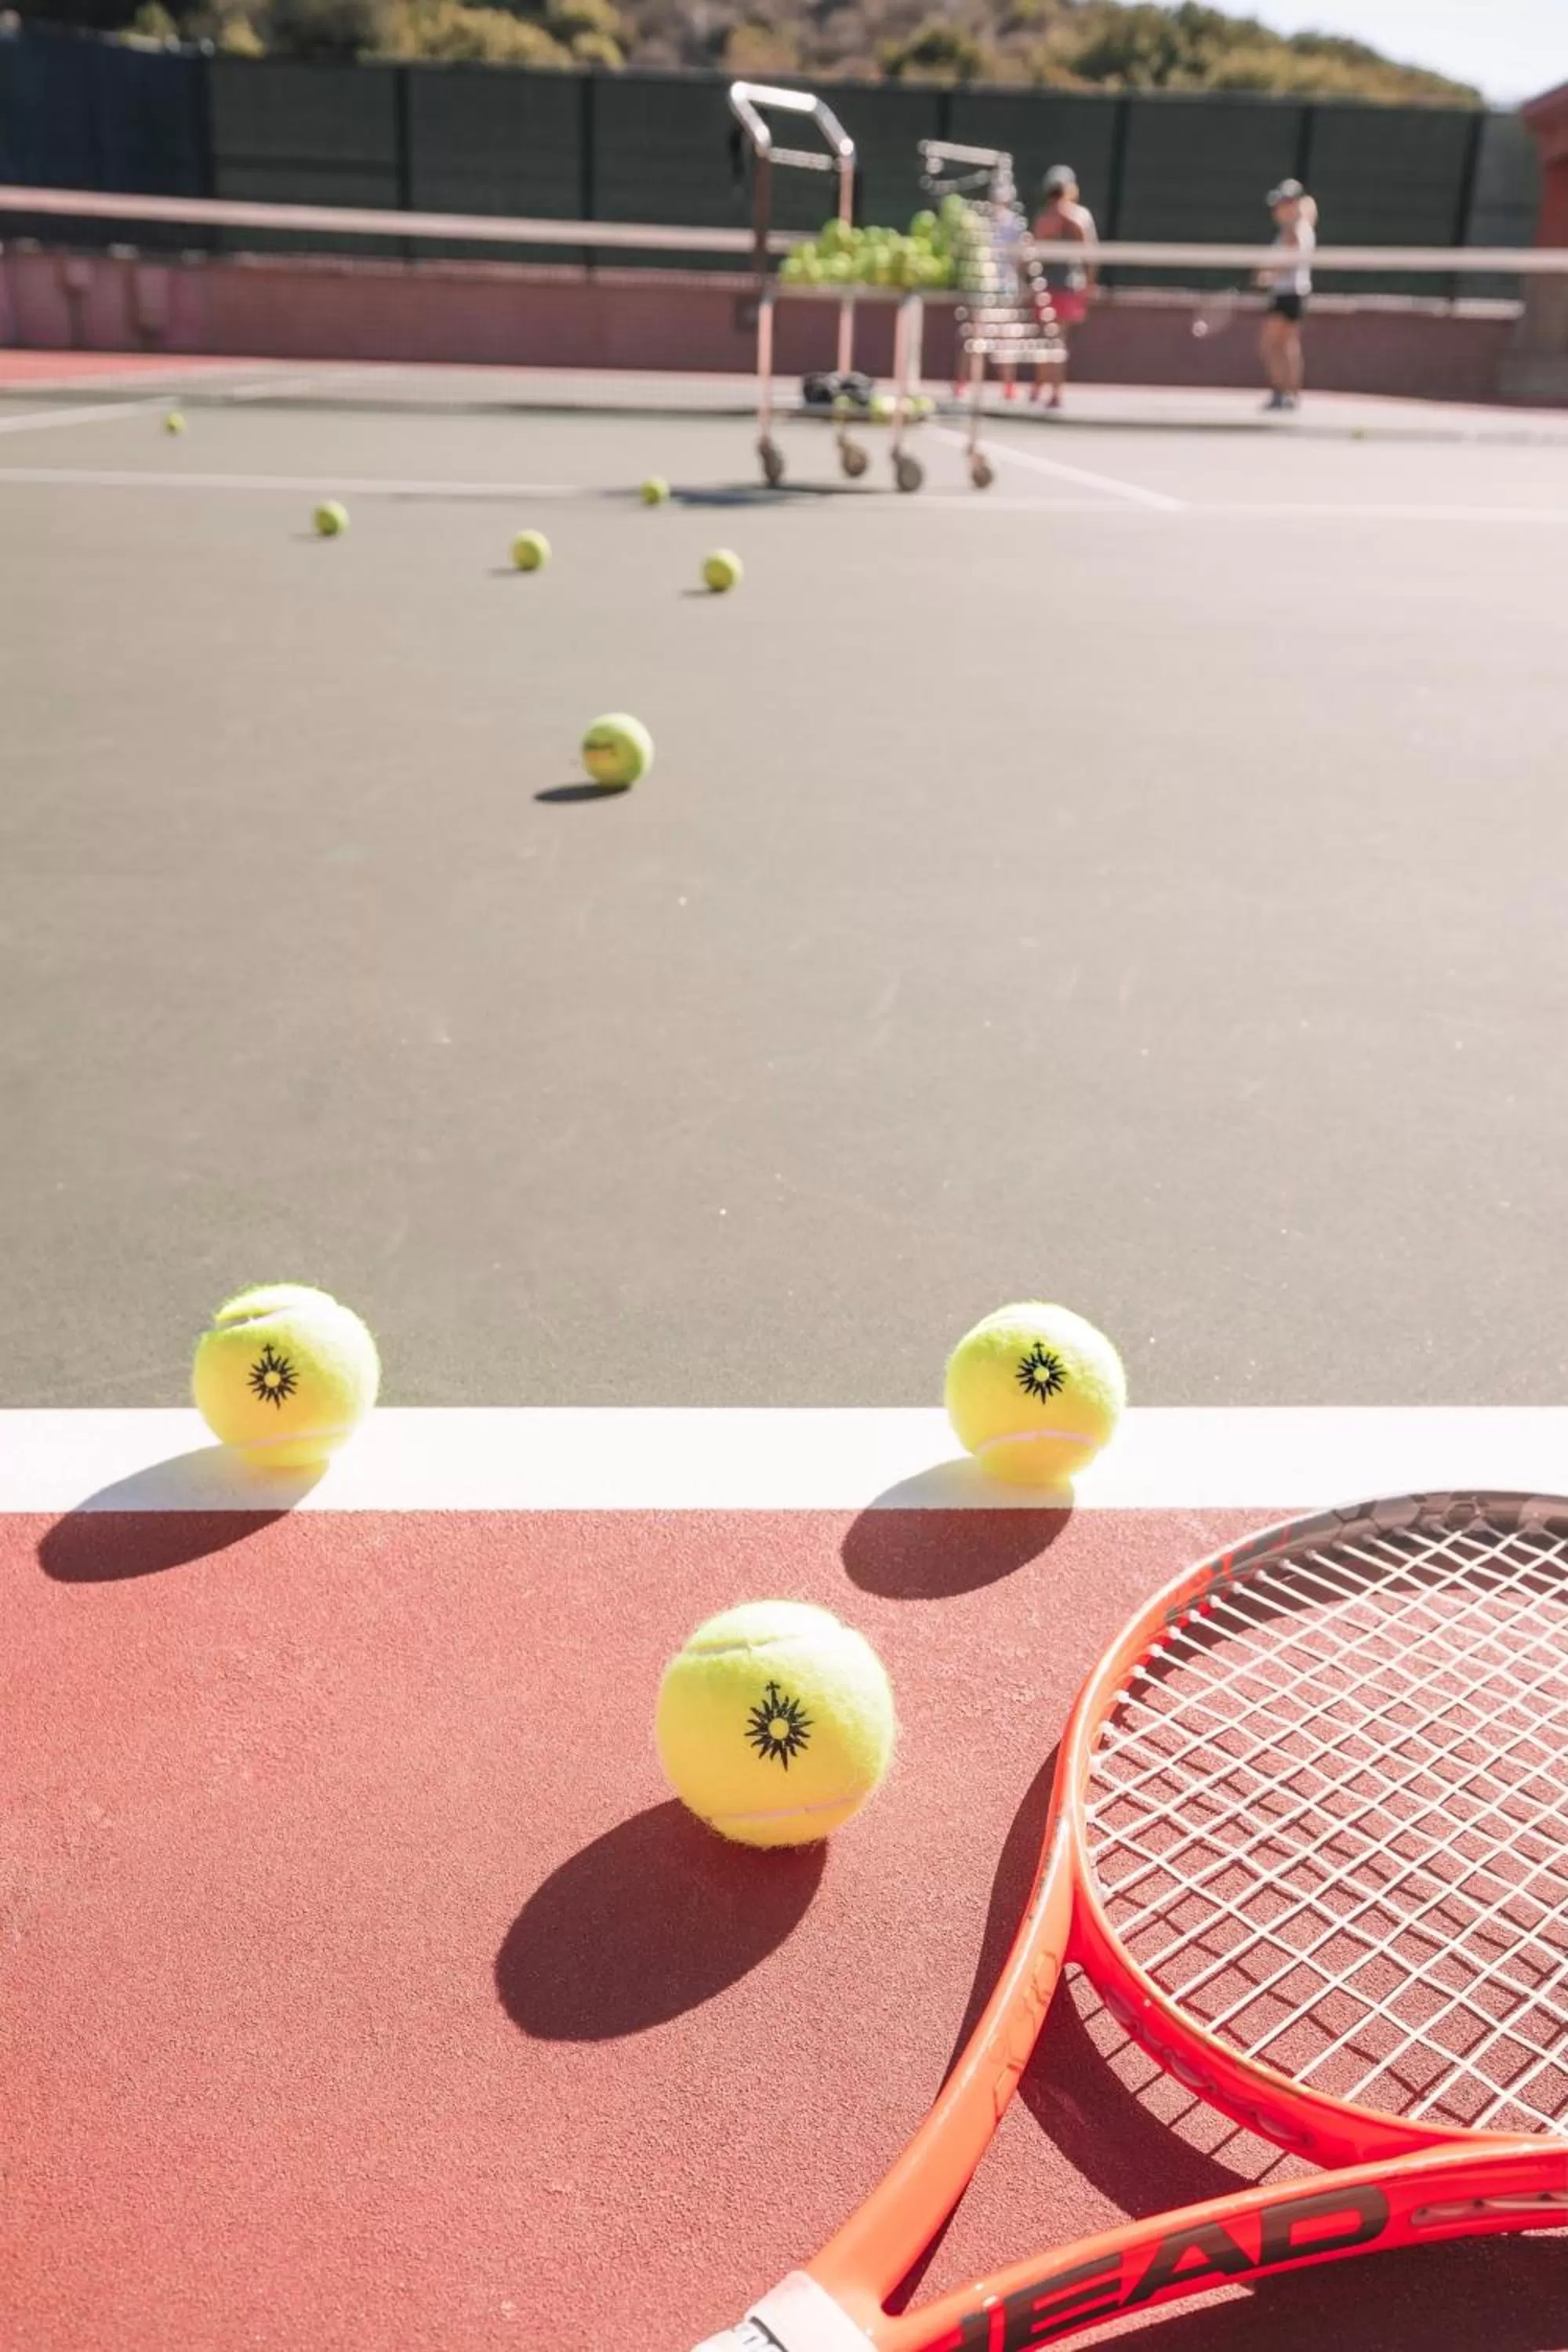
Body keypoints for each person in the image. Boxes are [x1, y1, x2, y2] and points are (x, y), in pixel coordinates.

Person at [1030, 164, 1098, 408]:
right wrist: (1089, 282)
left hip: (1060, 287)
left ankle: (1046, 388)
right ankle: (1047, 388)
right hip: (1058, 287)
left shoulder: (1052, 217)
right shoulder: (1072, 217)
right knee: (1056, 339)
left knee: (1050, 338)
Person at [1258, 177, 1316, 412]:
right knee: (1287, 345)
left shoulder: (1294, 230)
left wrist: (1268, 275)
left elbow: (1288, 261)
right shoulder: (1301, 227)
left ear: (1292, 204)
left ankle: (1282, 393)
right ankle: (1289, 394)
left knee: (1271, 345)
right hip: (1296, 294)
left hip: (1288, 294)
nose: (1276, 209)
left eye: (1281, 203)